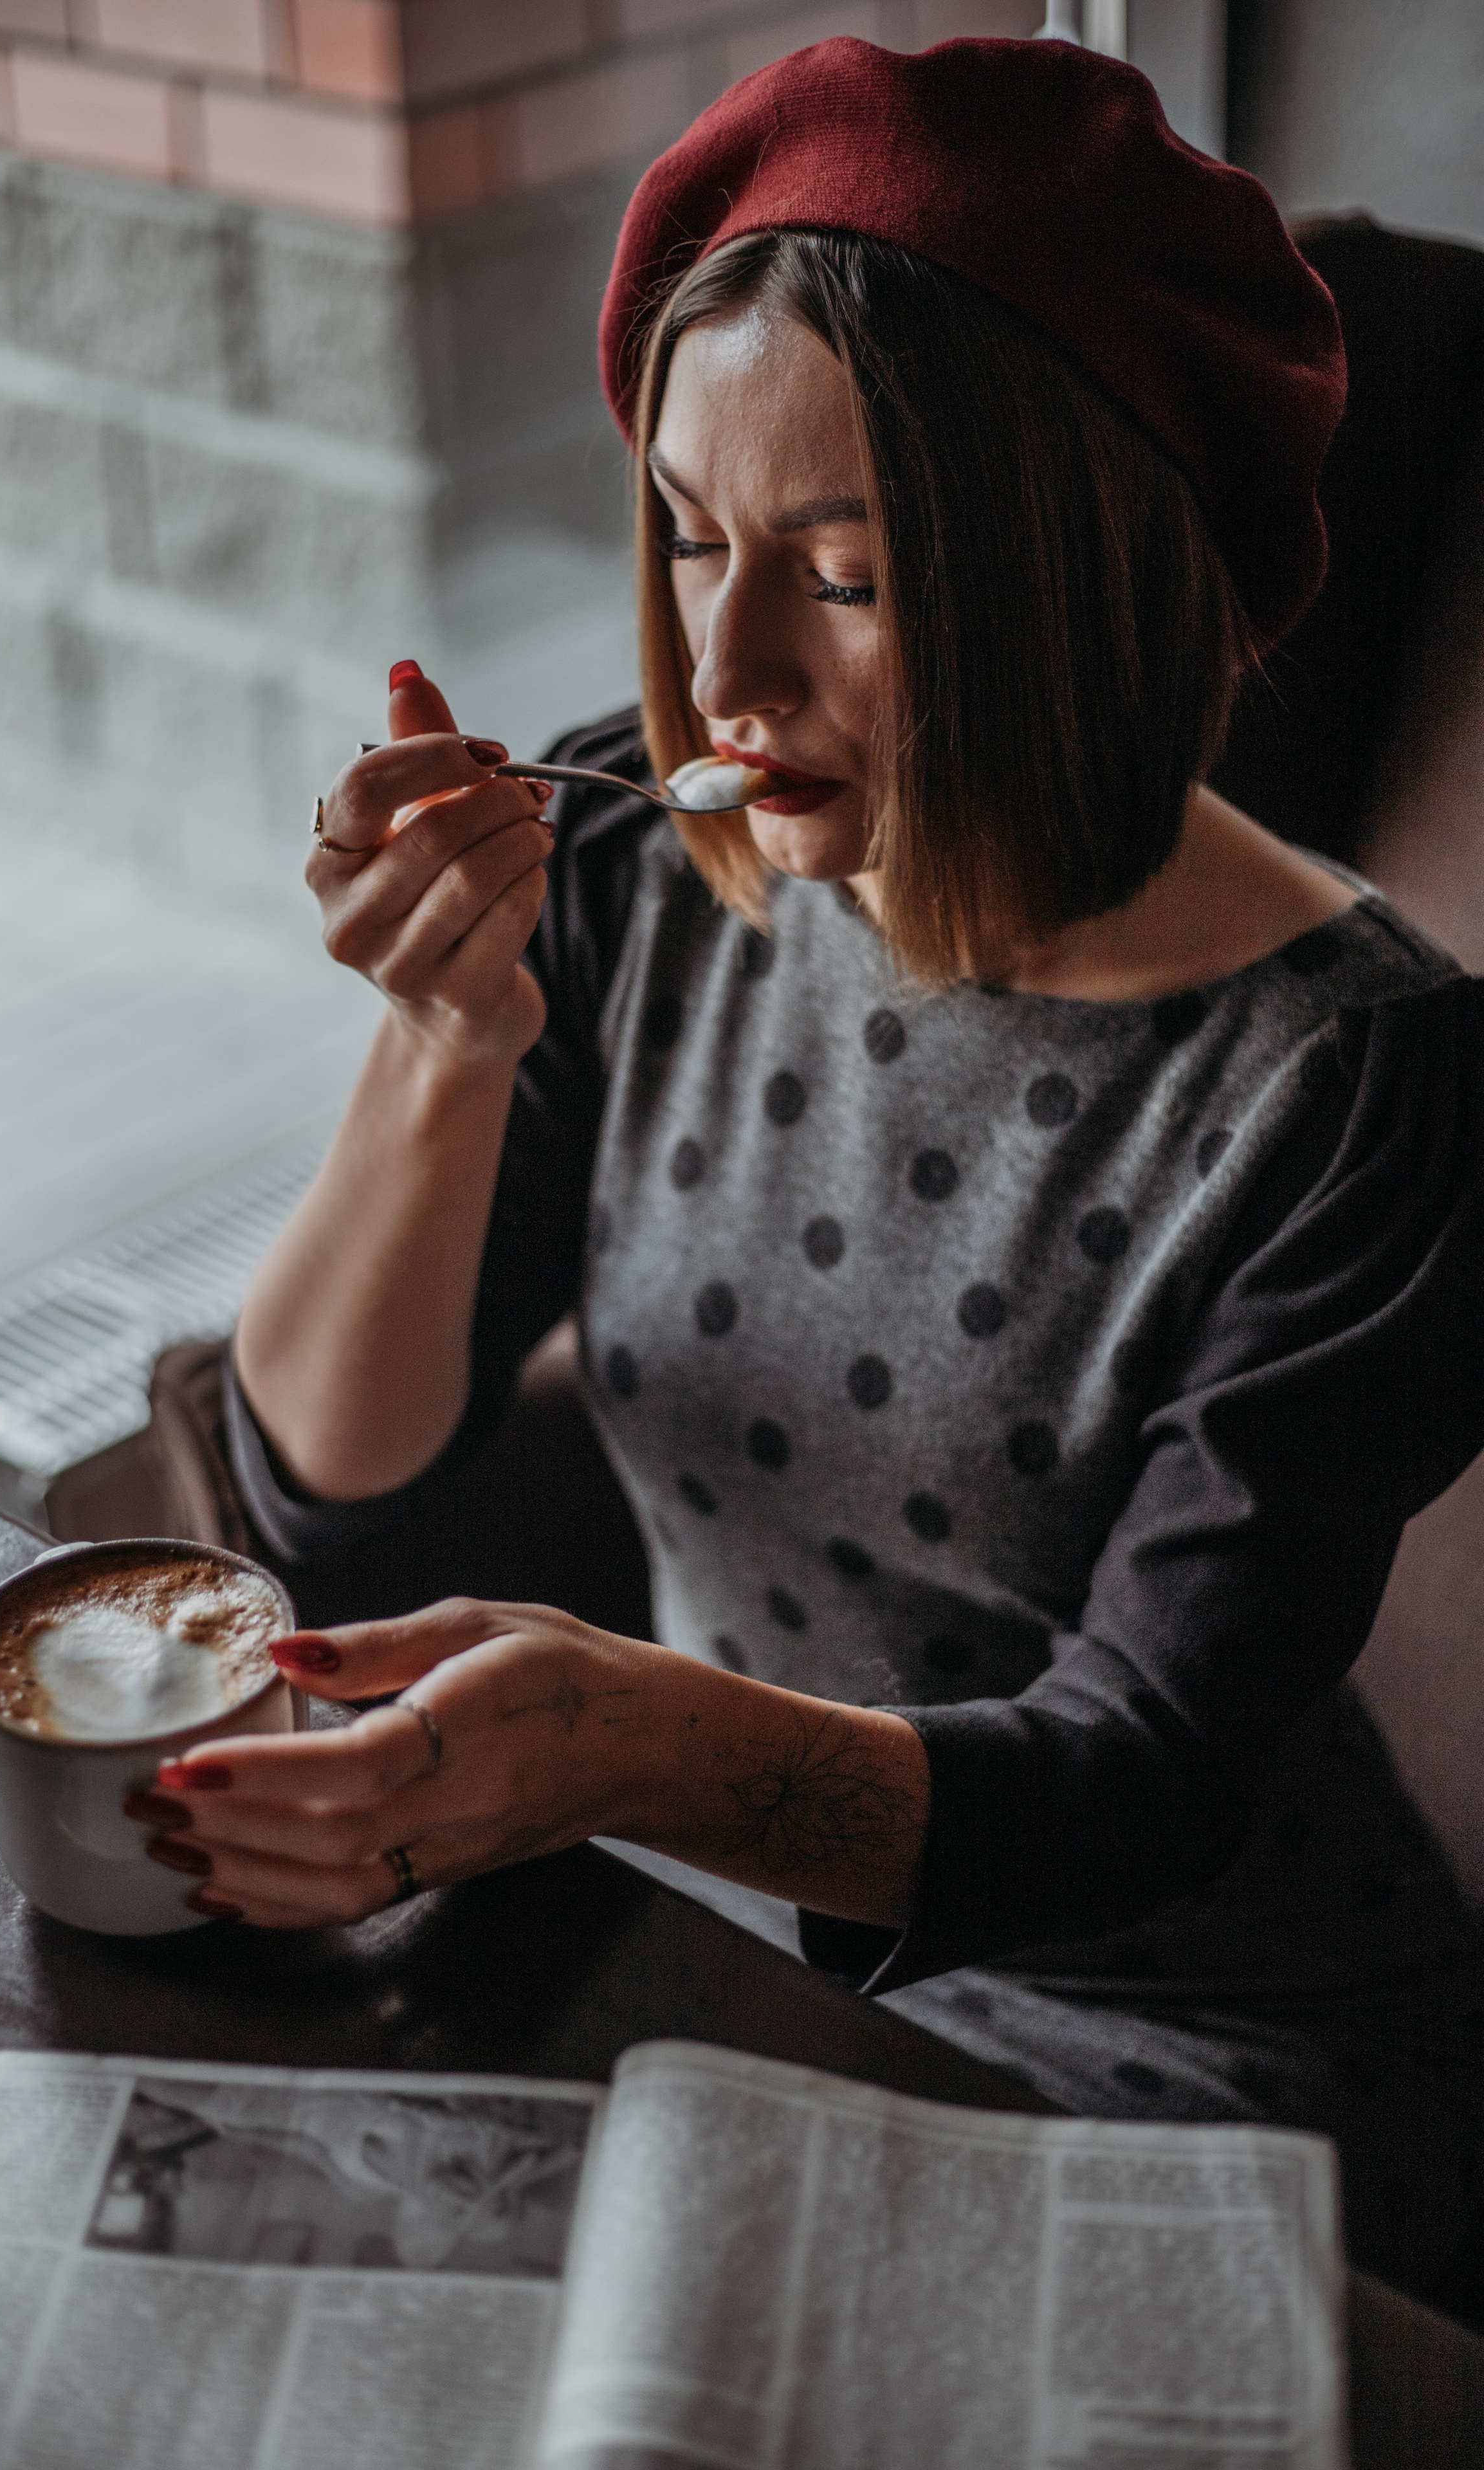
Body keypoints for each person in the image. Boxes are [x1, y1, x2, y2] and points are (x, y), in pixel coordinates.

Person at [129, 40, 1484, 2307]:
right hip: (719, 1921)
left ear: (1088, 579)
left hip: (1188, 2036)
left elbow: (1145, 1771)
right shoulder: (646, 871)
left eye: (842, 576)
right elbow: (330, 1492)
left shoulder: (1364, 1087)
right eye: (686, 534)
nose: (722, 669)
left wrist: (621, 1747)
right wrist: (443, 1038)